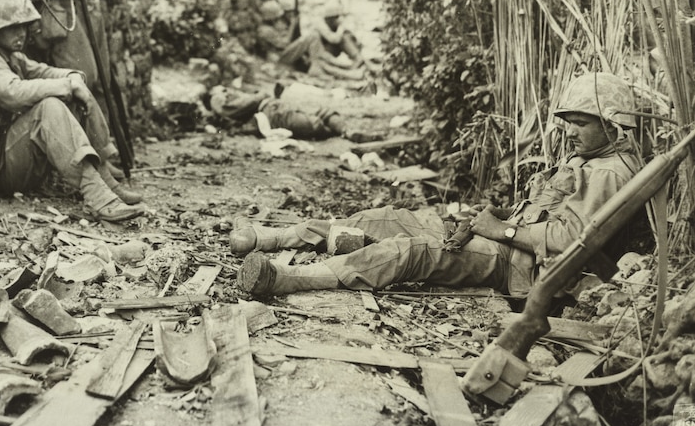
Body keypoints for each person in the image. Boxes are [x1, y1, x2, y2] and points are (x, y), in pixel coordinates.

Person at [234, 72, 643, 297]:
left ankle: (292, 279)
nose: (570, 133)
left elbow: (571, 239)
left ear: (613, 124)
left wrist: (500, 229)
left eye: (581, 124)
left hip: (521, 266)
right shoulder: (589, 154)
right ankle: (274, 237)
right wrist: (491, 216)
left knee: (413, 250)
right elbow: (542, 208)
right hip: (504, 241)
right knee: (386, 218)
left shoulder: (609, 172)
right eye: (568, 123)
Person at [0, 0, 143, 223]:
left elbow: (42, 71)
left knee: (74, 95)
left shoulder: (12, 57)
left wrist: (72, 77)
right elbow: (13, 93)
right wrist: (68, 86)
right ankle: (97, 195)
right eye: (11, 28)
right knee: (48, 108)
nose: (20, 33)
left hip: (12, 157)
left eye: (22, 26)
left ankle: (106, 181)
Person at [203, 85, 346, 140]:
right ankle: (341, 131)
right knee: (314, 122)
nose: (227, 91)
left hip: (275, 105)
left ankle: (345, 131)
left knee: (322, 113)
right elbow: (229, 109)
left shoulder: (230, 95)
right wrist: (261, 93)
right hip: (271, 113)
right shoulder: (216, 99)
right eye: (223, 90)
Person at [278, 1, 367, 81]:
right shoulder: (319, 23)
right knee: (324, 61)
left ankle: (356, 61)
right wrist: (341, 27)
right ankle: (351, 70)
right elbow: (334, 39)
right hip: (312, 55)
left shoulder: (286, 23)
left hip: (318, 54)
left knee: (345, 37)